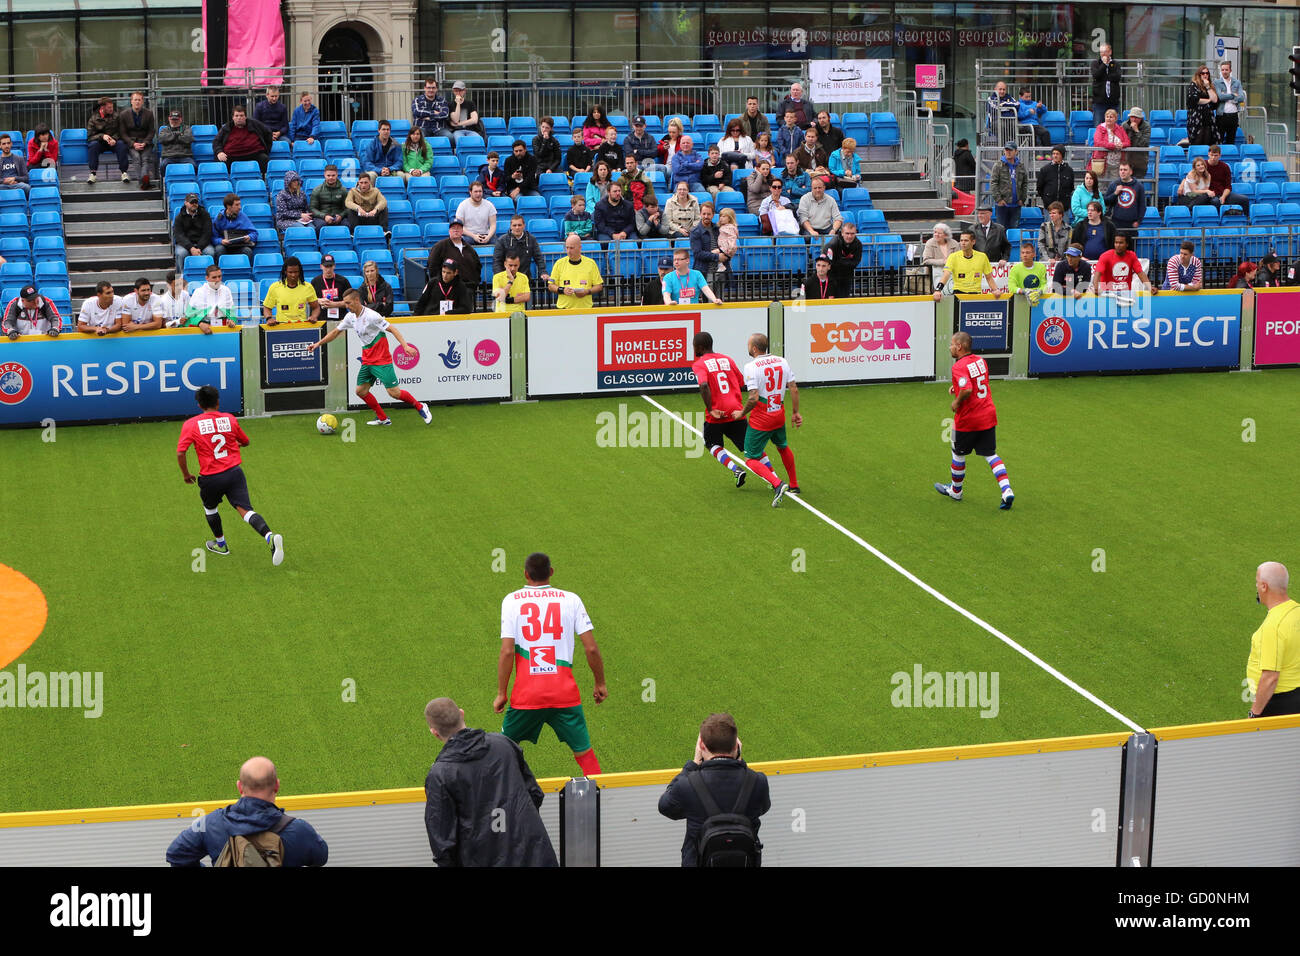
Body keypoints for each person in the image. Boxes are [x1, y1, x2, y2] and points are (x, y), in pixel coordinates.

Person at [496, 551, 607, 776]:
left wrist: (501, 693)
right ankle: (601, 799)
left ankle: (497, 802)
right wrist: (600, 683)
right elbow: (591, 648)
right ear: (551, 572)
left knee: (501, 751)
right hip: (564, 695)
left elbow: (507, 652)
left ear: (526, 574)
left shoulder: (511, 601)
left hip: (527, 696)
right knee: (585, 755)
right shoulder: (571, 600)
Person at [421, 697, 557, 867]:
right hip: (535, 856)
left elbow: (442, 841)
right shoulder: (504, 744)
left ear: (434, 732)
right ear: (462, 714)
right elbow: (534, 794)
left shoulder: (440, 774)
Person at [176, 385, 285, 562]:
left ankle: (221, 544)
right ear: (218, 402)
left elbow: (181, 452)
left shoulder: (191, 424)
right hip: (234, 473)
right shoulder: (230, 419)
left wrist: (186, 474)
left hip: (211, 478)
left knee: (210, 509)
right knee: (246, 511)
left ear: (199, 405)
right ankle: (269, 536)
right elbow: (246, 441)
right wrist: (233, 446)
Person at [657, 712, 771, 868]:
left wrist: (693, 764)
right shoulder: (759, 782)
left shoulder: (687, 785)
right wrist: (740, 761)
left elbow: (665, 807)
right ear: (737, 745)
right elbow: (762, 808)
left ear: (702, 746)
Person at [165, 756, 325, 865]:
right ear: (276, 785)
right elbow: (320, 858)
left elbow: (176, 854)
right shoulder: (299, 830)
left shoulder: (211, 823)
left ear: (240, 786)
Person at [309, 288, 432, 426]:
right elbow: (335, 333)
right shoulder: (350, 317)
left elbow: (393, 329)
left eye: (348, 303)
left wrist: (405, 346)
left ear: (357, 300)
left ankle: (421, 406)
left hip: (381, 359)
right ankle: (383, 418)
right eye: (345, 303)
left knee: (394, 393)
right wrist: (318, 344)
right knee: (361, 391)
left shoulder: (372, 316)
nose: (347, 306)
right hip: (367, 359)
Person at [935, 331, 1014, 509]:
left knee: (958, 453)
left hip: (968, 419)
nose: (950, 347)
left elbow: (968, 390)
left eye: (951, 344)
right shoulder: (981, 361)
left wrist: (956, 401)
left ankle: (956, 491)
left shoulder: (958, 366)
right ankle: (1006, 490)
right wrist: (956, 388)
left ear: (959, 346)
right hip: (988, 415)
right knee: (990, 454)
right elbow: (977, 383)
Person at [691, 330, 760, 487]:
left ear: (700, 347)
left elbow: (703, 385)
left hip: (717, 413)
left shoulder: (699, 364)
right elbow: (742, 381)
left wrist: (710, 409)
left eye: (694, 346)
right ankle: (773, 476)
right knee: (749, 448)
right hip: (736, 410)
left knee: (712, 444)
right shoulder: (727, 359)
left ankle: (736, 469)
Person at [738, 332, 801, 505]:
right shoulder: (782, 361)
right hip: (778, 412)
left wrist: (741, 414)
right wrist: (795, 412)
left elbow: (753, 397)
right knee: (782, 446)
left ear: (754, 348)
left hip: (762, 417)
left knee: (750, 458)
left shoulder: (751, 367)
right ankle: (794, 485)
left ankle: (777, 484)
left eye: (748, 345)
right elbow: (793, 388)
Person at [1246, 563, 1300, 717]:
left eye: (1256, 582)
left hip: (1278, 703)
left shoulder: (1273, 626)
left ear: (1264, 586)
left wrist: (1255, 714)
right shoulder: (1297, 611)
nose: (1256, 586)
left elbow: (1270, 677)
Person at [421, 221, 479, 304]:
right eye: (453, 228)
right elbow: (432, 266)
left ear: (462, 231)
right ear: (449, 231)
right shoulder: (440, 246)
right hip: (448, 290)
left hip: (467, 289)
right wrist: (442, 285)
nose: (456, 230)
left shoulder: (469, 248)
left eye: (458, 228)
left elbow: (477, 266)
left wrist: (475, 282)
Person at [934, 230, 998, 301]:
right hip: (959, 294)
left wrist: (995, 289)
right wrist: (938, 290)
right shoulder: (953, 257)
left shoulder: (982, 257)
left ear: (973, 242)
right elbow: (946, 274)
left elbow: (989, 277)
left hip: (976, 294)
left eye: (966, 240)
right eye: (961, 240)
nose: (963, 243)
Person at [547, 233, 603, 309]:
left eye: (572, 248)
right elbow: (550, 285)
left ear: (580, 248)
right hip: (564, 309)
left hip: (585, 309)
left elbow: (599, 286)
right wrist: (562, 290)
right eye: (567, 248)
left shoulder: (591, 263)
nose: (568, 251)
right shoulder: (559, 263)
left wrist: (587, 292)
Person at [214, 106, 272, 175]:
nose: (239, 118)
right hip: (232, 155)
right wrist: (219, 152)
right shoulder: (227, 127)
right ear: (233, 117)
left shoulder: (255, 124)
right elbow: (216, 141)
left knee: (264, 159)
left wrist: (266, 150)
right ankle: (227, 183)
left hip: (253, 154)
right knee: (221, 161)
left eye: (241, 115)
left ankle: (263, 180)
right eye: (237, 116)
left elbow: (268, 133)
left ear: (245, 117)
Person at [261, 257, 320, 325]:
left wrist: (314, 316)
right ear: (285, 272)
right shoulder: (275, 287)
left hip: (301, 326)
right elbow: (267, 307)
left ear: (299, 272)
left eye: (296, 272)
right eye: (290, 272)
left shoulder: (308, 287)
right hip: (281, 327)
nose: (293, 275)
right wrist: (269, 318)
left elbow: (316, 307)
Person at [86, 96, 129, 184]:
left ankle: (124, 172)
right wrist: (102, 136)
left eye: (112, 107)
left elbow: (121, 131)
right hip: (100, 143)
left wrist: (115, 139)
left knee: (122, 144)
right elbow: (90, 136)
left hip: (113, 142)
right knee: (93, 145)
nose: (111, 109)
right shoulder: (93, 119)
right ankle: (93, 174)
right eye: (109, 107)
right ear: (102, 107)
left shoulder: (117, 116)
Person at [182, 263, 236, 333]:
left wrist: (231, 321)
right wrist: (200, 323)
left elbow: (231, 312)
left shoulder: (226, 290)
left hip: (223, 326)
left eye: (219, 276)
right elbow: (190, 315)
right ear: (206, 278)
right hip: (203, 326)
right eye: (214, 277)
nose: (217, 280)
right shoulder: (198, 292)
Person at [119, 91, 157, 189]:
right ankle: (143, 182)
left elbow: (151, 131)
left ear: (142, 101)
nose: (137, 102)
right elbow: (123, 133)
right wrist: (133, 144)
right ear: (131, 101)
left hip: (145, 142)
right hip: (131, 143)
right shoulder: (123, 114)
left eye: (139, 100)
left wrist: (145, 142)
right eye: (135, 100)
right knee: (136, 157)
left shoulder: (149, 114)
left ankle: (143, 182)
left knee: (145, 159)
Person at [493, 214, 545, 281]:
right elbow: (497, 260)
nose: (517, 227)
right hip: (506, 279)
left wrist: (543, 272)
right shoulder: (501, 240)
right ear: (511, 226)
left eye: (519, 225)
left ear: (524, 225)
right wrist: (500, 276)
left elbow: (539, 258)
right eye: (514, 225)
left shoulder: (531, 239)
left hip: (525, 278)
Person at [1103, 161, 1145, 241]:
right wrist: (1115, 193)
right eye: (1121, 170)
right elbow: (1106, 201)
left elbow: (1142, 205)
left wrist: (1139, 221)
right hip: (1116, 223)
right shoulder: (1114, 184)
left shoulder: (1139, 186)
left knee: (1131, 249)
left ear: (1131, 172)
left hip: (1131, 224)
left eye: (1125, 170)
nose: (1122, 172)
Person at [173, 192, 216, 272]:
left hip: (202, 244)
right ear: (185, 203)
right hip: (185, 245)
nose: (194, 204)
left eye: (196, 202)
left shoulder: (205, 215)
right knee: (181, 254)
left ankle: (209, 280)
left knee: (210, 253)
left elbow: (207, 233)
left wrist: (199, 248)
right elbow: (179, 235)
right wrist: (191, 248)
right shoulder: (179, 217)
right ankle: (180, 282)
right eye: (191, 202)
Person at [989, 142, 1027, 229]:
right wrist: (999, 200)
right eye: (1006, 150)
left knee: (1014, 230)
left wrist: (1022, 199)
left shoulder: (1021, 166)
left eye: (1010, 150)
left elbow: (1025, 183)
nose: (1008, 152)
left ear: (1016, 151)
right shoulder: (998, 165)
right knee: (1001, 231)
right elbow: (993, 183)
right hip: (1002, 205)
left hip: (1016, 205)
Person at [212, 193, 258, 263]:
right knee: (219, 249)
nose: (240, 207)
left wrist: (249, 237)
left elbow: (254, 233)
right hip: (224, 246)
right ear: (228, 206)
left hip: (239, 246)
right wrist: (221, 241)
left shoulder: (242, 216)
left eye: (239, 204)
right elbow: (213, 237)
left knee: (247, 251)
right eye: (237, 205)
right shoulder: (218, 219)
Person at [822, 220, 863, 297]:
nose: (850, 236)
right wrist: (846, 262)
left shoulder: (858, 244)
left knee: (844, 300)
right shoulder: (833, 244)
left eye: (852, 234)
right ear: (842, 233)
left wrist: (840, 261)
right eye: (847, 233)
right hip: (832, 277)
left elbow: (855, 263)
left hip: (847, 277)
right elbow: (828, 263)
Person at [1206, 145, 1250, 213]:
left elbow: (1228, 186)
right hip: (1210, 195)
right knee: (1216, 202)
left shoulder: (1225, 166)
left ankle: (1247, 219)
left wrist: (1223, 196)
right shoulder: (1203, 165)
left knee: (1245, 199)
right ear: (1208, 154)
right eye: (1211, 155)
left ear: (1220, 155)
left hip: (1223, 193)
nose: (1213, 158)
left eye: (1216, 155)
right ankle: (1218, 220)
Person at [311, 254, 353, 322]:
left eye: (330, 266)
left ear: (334, 266)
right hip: (321, 320)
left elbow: (351, 301)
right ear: (321, 266)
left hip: (341, 319)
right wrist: (319, 300)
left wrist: (334, 304)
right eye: (326, 266)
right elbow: (309, 300)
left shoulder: (343, 281)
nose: (328, 269)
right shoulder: (315, 282)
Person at [1092, 109, 1130, 182]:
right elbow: (1098, 142)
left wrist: (1122, 145)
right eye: (1107, 116)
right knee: (1101, 185)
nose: (1108, 118)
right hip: (1103, 162)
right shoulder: (1100, 128)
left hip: (1117, 163)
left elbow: (1127, 142)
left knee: (1115, 185)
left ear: (1115, 119)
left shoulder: (1120, 129)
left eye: (1111, 117)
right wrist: (1113, 146)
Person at [1186, 65, 1220, 147]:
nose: (1205, 75)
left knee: (1208, 141)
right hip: (1196, 118)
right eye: (1203, 73)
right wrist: (1208, 100)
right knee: (1197, 141)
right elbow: (1195, 100)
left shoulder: (1210, 86)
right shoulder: (1193, 85)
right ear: (1199, 74)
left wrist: (1208, 87)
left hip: (1208, 117)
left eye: (1207, 73)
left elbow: (1215, 100)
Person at [689, 200, 720, 289]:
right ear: (700, 214)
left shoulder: (717, 229)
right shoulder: (695, 232)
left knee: (721, 299)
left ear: (713, 214)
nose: (706, 216)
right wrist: (717, 256)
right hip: (704, 271)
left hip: (719, 270)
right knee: (708, 300)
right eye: (704, 214)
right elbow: (698, 253)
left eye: (709, 214)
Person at [411, 78, 452, 143]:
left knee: (450, 137)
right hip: (422, 127)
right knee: (419, 138)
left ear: (436, 89)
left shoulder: (442, 100)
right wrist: (434, 113)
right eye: (428, 88)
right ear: (425, 88)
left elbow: (445, 114)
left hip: (438, 128)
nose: (431, 90)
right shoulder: (417, 100)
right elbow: (417, 112)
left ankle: (448, 153)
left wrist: (428, 117)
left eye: (433, 88)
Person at [1036, 146, 1075, 214]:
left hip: (1064, 208)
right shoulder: (1045, 169)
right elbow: (1039, 187)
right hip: (1049, 207)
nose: (1055, 156)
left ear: (1062, 155)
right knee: (1049, 225)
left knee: (1064, 225)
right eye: (1053, 154)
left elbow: (1071, 187)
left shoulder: (1069, 170)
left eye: (1057, 154)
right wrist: (1046, 199)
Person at [456, 180, 496, 246]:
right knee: (463, 241)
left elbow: (493, 225)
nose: (478, 194)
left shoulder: (489, 205)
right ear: (470, 192)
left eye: (480, 191)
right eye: (476, 192)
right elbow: (460, 227)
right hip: (469, 235)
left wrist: (488, 237)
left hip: (485, 234)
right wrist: (474, 236)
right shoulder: (462, 205)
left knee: (497, 243)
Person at [1215, 60, 1246, 146]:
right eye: (1222, 70)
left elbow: (1241, 97)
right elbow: (1220, 97)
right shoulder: (1217, 82)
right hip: (1221, 115)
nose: (1224, 72)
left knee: (1231, 140)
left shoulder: (1237, 82)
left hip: (1233, 115)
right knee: (1219, 140)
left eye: (1226, 70)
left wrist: (1227, 96)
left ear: (1230, 70)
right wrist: (1233, 95)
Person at [1091, 44, 1122, 127]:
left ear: (1110, 52)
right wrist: (1104, 65)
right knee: (1098, 126)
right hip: (1099, 101)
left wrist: (1104, 76)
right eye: (1101, 52)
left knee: (1114, 126)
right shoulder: (1095, 63)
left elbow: (1117, 77)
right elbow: (1096, 75)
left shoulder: (1115, 64)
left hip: (1113, 101)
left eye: (1105, 52)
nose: (1103, 54)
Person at [157, 110, 194, 179]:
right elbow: (161, 139)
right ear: (169, 119)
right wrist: (178, 135)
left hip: (185, 156)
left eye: (176, 119)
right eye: (173, 119)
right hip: (169, 157)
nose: (174, 121)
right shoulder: (164, 130)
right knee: (163, 165)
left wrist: (171, 137)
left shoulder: (187, 128)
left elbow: (189, 139)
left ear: (180, 119)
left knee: (193, 166)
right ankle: (165, 182)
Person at [310, 163, 348, 230]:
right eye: (328, 175)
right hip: (321, 217)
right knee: (321, 227)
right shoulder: (317, 190)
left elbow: (347, 208)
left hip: (338, 217)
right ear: (324, 175)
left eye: (333, 175)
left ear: (337, 175)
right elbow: (312, 209)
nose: (331, 177)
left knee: (348, 225)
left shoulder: (343, 190)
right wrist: (324, 216)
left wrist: (341, 216)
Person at [448, 80, 483, 144]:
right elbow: (455, 120)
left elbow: (474, 120)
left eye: (460, 90)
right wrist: (458, 103)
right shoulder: (450, 105)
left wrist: (459, 124)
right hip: (457, 131)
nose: (458, 93)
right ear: (453, 91)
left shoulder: (470, 103)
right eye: (456, 91)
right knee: (460, 141)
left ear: (464, 91)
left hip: (471, 130)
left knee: (478, 140)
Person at [1123, 107, 1151, 180]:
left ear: (1141, 118)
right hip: (1127, 160)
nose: (1134, 119)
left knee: (1138, 183)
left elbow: (1144, 143)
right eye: (1132, 117)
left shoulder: (1146, 126)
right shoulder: (1124, 125)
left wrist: (1136, 131)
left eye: (1136, 117)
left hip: (1140, 161)